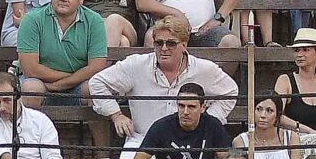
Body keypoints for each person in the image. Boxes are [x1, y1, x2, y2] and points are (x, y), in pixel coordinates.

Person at [88, 14, 238, 148]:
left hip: (190, 141)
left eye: (171, 43)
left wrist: (207, 121)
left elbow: (230, 91)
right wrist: (116, 115)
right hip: (142, 140)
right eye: (159, 43)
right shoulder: (135, 65)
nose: (164, 48)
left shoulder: (204, 69)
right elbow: (97, 83)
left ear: (184, 45)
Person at [132, 82, 237, 159]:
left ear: (203, 107)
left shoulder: (213, 125)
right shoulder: (161, 127)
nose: (185, 112)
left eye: (191, 107)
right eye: (181, 106)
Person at [237, 93, 315, 159]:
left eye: (269, 110)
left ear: (278, 115)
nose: (262, 115)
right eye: (259, 109)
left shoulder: (291, 138)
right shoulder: (241, 141)